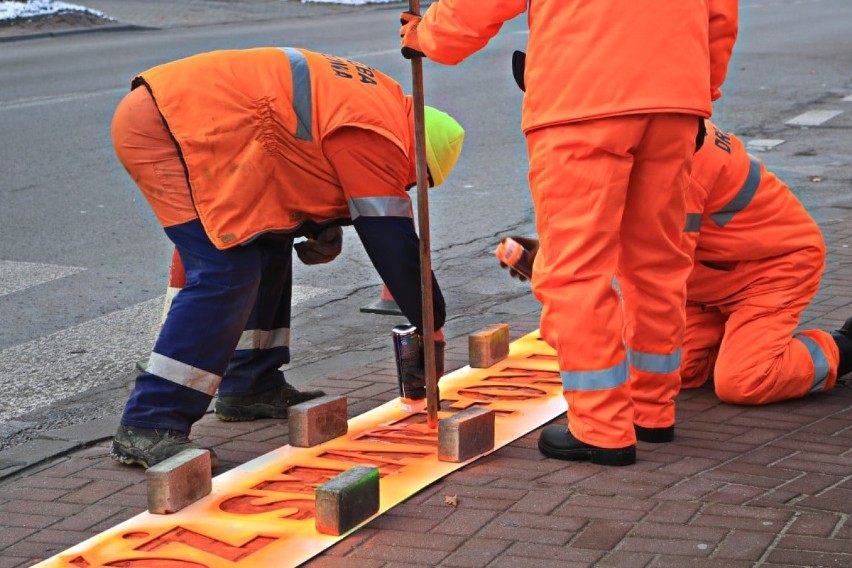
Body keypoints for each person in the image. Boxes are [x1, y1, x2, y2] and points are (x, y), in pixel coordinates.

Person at [400, 1, 738, 465]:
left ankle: (601, 427)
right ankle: (651, 411)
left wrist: (427, 36)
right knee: (657, 266)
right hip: (674, 103)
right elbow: (720, 17)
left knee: (577, 272)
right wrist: (701, 89)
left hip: (581, 101)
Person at [109, 47, 465, 469]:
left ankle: (251, 384)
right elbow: (392, 238)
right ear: (417, 154)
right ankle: (150, 421)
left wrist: (322, 224)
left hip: (195, 122)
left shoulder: (379, 106)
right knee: (226, 269)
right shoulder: (380, 135)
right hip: (168, 127)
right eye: (411, 181)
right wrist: (432, 322)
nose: (401, 185)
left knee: (265, 245)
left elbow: (302, 150)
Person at [498, 119, 851, 407]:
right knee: (675, 370)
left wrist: (565, 272)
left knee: (744, 381)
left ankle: (844, 347)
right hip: (705, 279)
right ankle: (737, 340)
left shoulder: (679, 170)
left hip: (771, 269)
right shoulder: (654, 134)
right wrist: (553, 253)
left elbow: (653, 267)